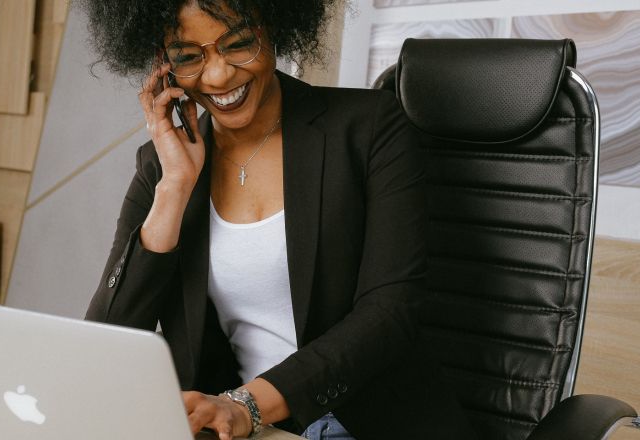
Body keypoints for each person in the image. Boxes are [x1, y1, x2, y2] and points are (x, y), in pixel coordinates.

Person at [80, 1, 476, 439]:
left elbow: (390, 310)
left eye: (239, 44)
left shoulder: (370, 129)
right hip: (236, 429)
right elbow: (107, 343)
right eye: (189, 56)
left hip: (364, 420)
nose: (218, 76)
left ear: (274, 29)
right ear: (163, 62)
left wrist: (245, 404)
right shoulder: (163, 166)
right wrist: (174, 186)